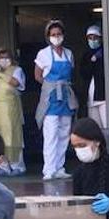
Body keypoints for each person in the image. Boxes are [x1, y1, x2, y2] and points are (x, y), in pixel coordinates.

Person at [35, 20, 77, 180]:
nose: (56, 37)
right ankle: (49, 168)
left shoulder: (69, 53)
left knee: (64, 133)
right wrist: (49, 86)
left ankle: (60, 167)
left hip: (65, 96)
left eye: (59, 34)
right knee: (51, 133)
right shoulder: (43, 54)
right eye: (53, 35)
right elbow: (37, 75)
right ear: (48, 37)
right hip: (51, 98)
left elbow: (70, 73)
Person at [0, 47, 27, 176]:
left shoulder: (17, 70)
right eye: (1, 58)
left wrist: (3, 75)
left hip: (10, 110)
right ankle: (3, 166)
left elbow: (16, 83)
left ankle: (17, 166)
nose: (4, 60)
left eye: (6, 57)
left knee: (13, 137)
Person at [82, 25, 108, 130]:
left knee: (107, 128)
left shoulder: (106, 54)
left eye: (95, 38)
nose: (93, 40)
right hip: (91, 98)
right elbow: (84, 74)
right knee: (95, 130)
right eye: (90, 38)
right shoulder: (86, 56)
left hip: (104, 98)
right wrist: (92, 60)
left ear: (101, 39)